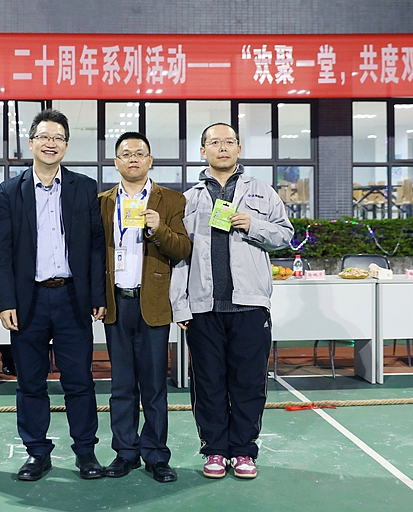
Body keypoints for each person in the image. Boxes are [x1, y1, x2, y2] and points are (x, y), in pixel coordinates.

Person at [169, 122, 293, 480]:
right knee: (207, 383)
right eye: (214, 142)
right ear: (202, 151)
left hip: (250, 305)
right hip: (204, 307)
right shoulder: (188, 199)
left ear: (238, 148)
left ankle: (242, 451)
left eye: (229, 142)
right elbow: (180, 256)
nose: (222, 147)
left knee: (249, 382)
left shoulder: (261, 191)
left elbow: (285, 234)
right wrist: (180, 304)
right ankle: (214, 449)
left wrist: (253, 225)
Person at [0, 109, 107, 481]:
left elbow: (96, 246)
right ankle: (37, 453)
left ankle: (86, 452)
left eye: (58, 137)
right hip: (29, 302)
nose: (50, 143)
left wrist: (97, 294)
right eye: (44, 136)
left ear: (66, 145)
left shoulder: (84, 187)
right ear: (31, 143)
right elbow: (1, 252)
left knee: (80, 380)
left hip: (73, 298)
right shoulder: (11, 190)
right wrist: (6, 302)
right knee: (30, 382)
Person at [98, 132, 191, 483]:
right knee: (121, 386)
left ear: (150, 160)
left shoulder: (172, 200)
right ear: (116, 162)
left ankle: (156, 455)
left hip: (153, 303)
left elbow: (182, 249)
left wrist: (158, 228)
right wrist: (97, 298)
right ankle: (125, 452)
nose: (133, 159)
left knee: (154, 387)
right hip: (116, 304)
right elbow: (94, 254)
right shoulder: (102, 202)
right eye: (126, 154)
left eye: (140, 153)